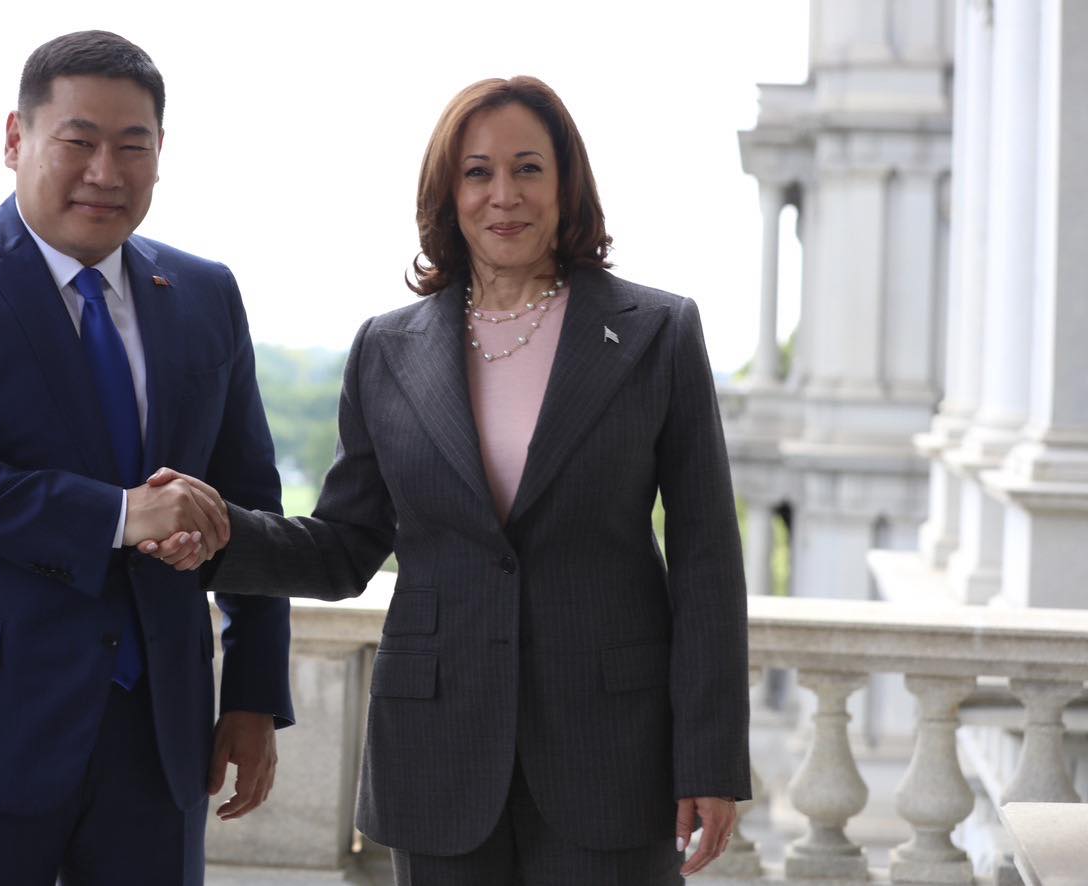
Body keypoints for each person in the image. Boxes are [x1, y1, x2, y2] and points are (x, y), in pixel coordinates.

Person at [144, 76, 750, 884]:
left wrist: (711, 758)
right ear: (447, 192)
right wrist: (219, 535)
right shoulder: (385, 348)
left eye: (528, 169)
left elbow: (707, 560)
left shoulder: (658, 333)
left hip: (611, 753)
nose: (505, 195)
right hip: (437, 754)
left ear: (566, 183)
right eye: (478, 172)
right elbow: (346, 547)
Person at [0, 30, 293, 886]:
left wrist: (253, 692)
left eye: (134, 146)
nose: (106, 172)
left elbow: (248, 501)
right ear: (16, 138)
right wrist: (122, 515)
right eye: (78, 141)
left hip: (156, 735)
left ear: (161, 153)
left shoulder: (205, 293)